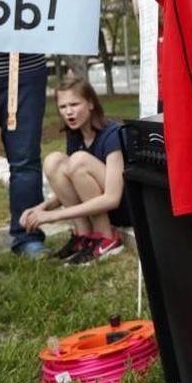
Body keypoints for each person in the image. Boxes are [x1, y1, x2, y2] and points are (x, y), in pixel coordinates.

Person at [20, 77, 129, 265]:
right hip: (97, 203)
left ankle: (106, 238)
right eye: (63, 107)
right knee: (53, 161)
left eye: (74, 104)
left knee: (78, 160)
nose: (69, 112)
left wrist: (54, 216)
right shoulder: (75, 134)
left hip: (124, 206)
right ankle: (84, 236)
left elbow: (113, 198)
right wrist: (41, 208)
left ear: (91, 103)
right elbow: (73, 182)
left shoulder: (113, 134)